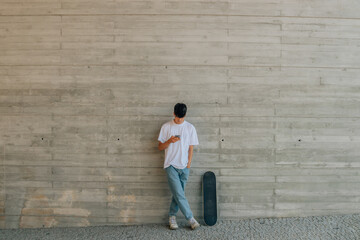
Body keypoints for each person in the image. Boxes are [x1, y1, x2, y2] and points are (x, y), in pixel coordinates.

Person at [158, 103, 200, 230]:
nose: (179, 120)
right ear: (173, 114)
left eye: (181, 118)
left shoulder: (190, 128)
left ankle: (172, 216)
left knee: (178, 194)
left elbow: (191, 147)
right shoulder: (166, 127)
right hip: (170, 165)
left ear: (185, 115)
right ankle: (190, 218)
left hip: (184, 167)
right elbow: (160, 147)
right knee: (179, 194)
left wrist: (188, 164)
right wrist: (169, 141)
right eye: (177, 118)